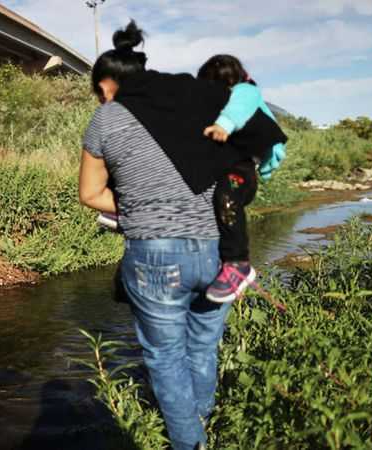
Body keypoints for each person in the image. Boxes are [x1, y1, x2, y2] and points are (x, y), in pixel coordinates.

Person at [78, 20, 280, 450]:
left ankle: (191, 443)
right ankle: (201, 425)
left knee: (166, 358)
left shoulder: (106, 118)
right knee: (202, 349)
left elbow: (90, 193)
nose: (100, 99)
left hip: (154, 256)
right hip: (218, 253)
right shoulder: (200, 101)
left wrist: (137, 204)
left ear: (110, 83)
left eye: (100, 91)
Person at [197, 54, 288, 303]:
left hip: (243, 170)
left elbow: (241, 104)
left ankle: (238, 263)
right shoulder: (214, 103)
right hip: (226, 165)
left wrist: (224, 124)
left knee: (226, 197)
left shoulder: (246, 91)